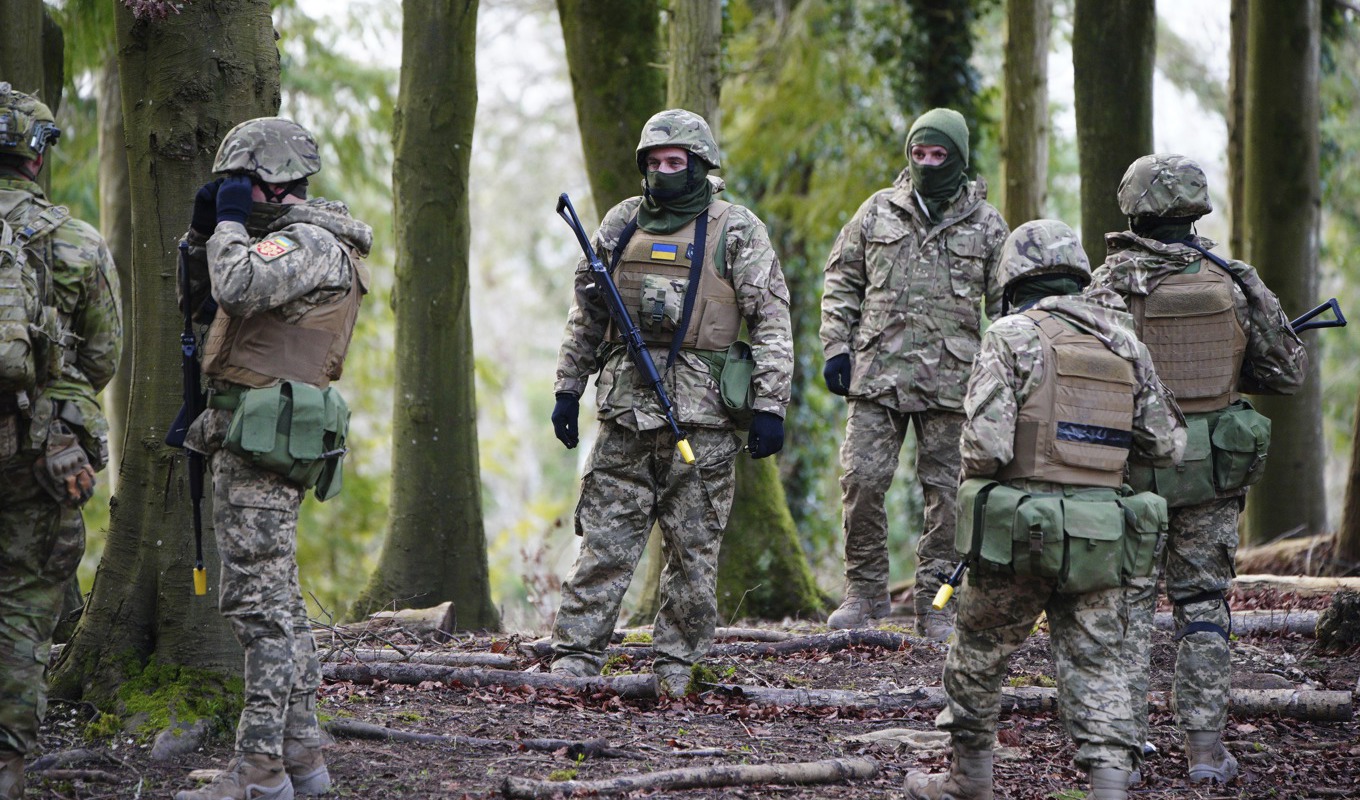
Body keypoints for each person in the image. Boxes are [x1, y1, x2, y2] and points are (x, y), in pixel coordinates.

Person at [903, 219, 1185, 800]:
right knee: (1100, 664)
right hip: (1101, 534)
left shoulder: (1009, 335)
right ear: (1078, 275)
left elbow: (985, 446)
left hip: (1020, 530)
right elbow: (1166, 443)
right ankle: (1108, 788)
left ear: (1013, 278)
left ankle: (968, 779)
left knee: (978, 651)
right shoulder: (1124, 342)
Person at [549, 108, 793, 697]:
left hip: (704, 417)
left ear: (700, 165)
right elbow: (589, 314)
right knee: (605, 543)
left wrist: (771, 405)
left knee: (693, 552)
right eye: (654, 163)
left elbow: (771, 320)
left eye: (674, 162)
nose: (663, 172)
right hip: (627, 412)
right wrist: (567, 387)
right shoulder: (620, 224)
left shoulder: (736, 229)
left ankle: (677, 666)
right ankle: (576, 657)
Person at [1091, 154, 1308, 786]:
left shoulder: (1104, 287)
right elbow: (1285, 375)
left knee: (1123, 612)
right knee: (1204, 608)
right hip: (1210, 472)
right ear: (1196, 207)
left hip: (1130, 472)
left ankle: (1118, 761)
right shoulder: (1234, 283)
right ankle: (1207, 753)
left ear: (1133, 208)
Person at [175, 117, 372, 800]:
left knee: (260, 613)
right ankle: (303, 761)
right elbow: (200, 300)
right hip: (251, 436)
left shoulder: (310, 244)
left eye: (240, 185)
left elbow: (235, 288)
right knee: (279, 606)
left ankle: (257, 775)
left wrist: (227, 226)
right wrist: (205, 234)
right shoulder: (287, 243)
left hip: (264, 444)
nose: (232, 197)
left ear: (274, 183)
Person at [820, 107, 1009, 637]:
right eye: (918, 154)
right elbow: (841, 280)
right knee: (860, 481)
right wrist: (837, 346)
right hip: (877, 374)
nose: (927, 164)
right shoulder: (878, 212)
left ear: (959, 158)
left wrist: (1007, 376)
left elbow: (1008, 307)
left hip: (955, 382)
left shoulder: (988, 225)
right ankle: (863, 595)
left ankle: (937, 601)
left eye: (938, 154)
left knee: (949, 495)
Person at [0, 81, 122, 800]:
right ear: (37, 157)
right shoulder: (75, 241)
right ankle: (7, 764)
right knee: (21, 603)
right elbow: (103, 357)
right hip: (42, 453)